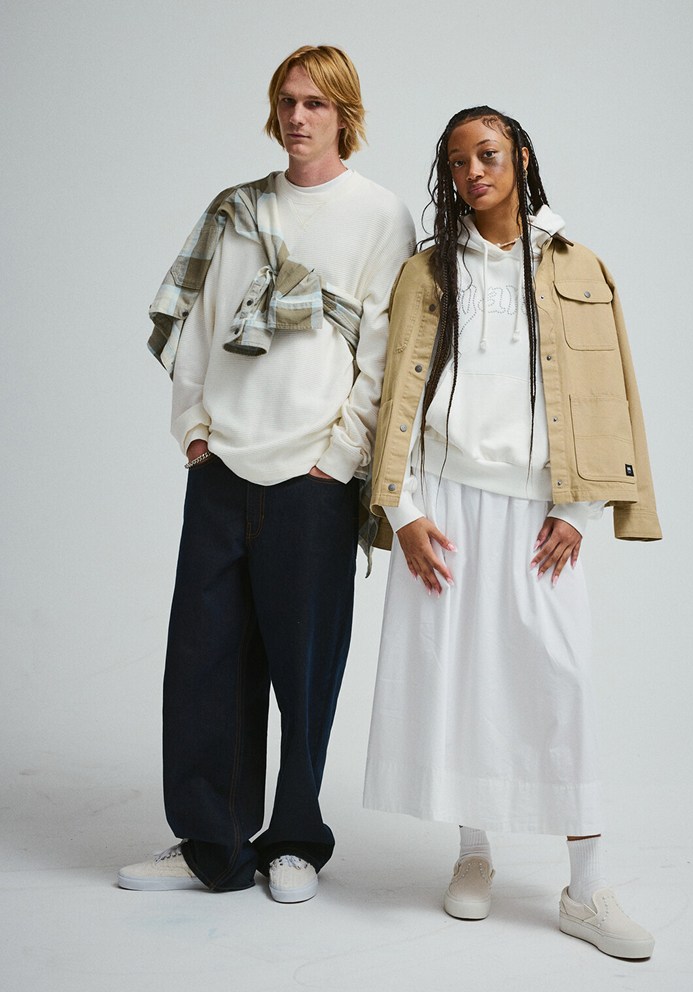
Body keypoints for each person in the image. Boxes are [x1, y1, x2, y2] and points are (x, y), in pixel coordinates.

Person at [363, 106, 661, 959]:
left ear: (522, 156)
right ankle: (473, 854)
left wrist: (576, 512)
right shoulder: (427, 273)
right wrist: (405, 511)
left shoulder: (580, 266)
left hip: (539, 513)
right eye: (458, 162)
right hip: (445, 505)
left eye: (488, 154)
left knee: (559, 682)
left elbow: (610, 395)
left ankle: (586, 888)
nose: (473, 172)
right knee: (458, 679)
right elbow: (398, 400)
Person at [118, 45, 415, 901]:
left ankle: (294, 841)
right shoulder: (237, 208)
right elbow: (202, 322)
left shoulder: (379, 215)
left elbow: (384, 357)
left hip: (313, 480)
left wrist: (337, 461)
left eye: (316, 103)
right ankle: (212, 844)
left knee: (304, 667)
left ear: (344, 114)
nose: (297, 117)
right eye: (287, 100)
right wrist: (195, 431)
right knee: (204, 662)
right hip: (223, 472)